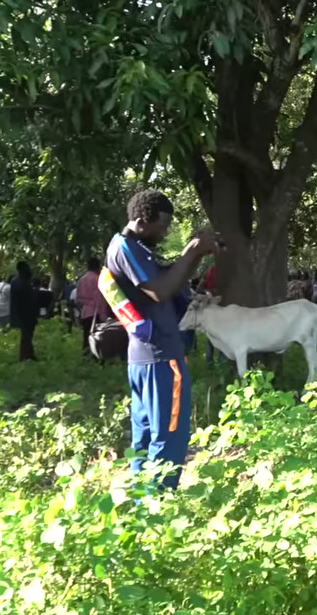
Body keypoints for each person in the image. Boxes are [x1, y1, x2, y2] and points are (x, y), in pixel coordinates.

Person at [104, 189, 220, 490]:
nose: (166, 231)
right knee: (170, 435)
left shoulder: (135, 247)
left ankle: (142, 499)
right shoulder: (127, 248)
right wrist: (191, 252)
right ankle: (158, 504)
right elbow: (159, 290)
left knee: (145, 435)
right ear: (143, 220)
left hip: (147, 357)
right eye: (163, 225)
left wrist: (195, 255)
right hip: (160, 356)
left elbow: (171, 277)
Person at [76, 257, 109, 357]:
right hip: (97, 313)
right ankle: (96, 356)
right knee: (98, 337)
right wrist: (104, 314)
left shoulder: (82, 280)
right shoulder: (98, 280)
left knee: (86, 336)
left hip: (86, 312)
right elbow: (100, 298)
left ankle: (85, 356)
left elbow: (78, 298)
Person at [10, 262, 39, 361]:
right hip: (25, 313)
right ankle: (25, 356)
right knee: (26, 335)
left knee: (27, 334)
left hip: (24, 312)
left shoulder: (17, 280)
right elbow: (26, 299)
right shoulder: (21, 281)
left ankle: (29, 354)